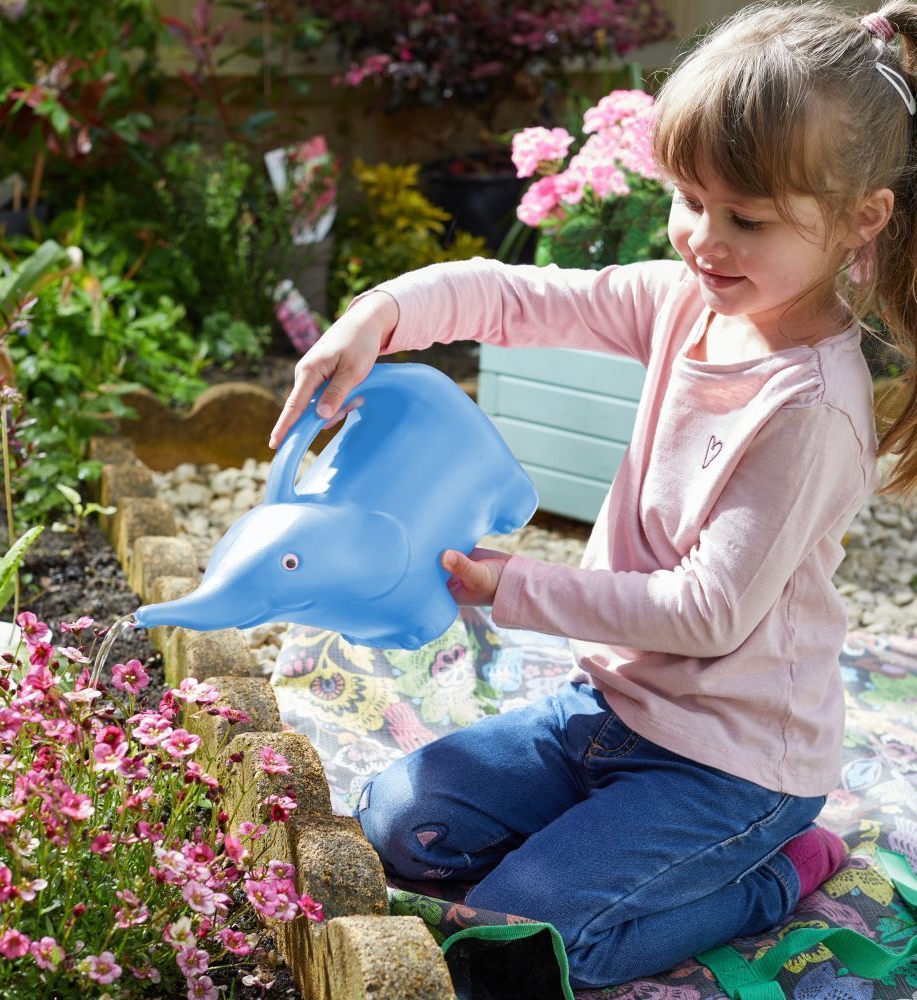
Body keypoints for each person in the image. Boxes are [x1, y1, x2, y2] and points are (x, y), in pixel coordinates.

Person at [268, 1, 917, 988]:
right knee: (396, 824)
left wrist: (511, 588)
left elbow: (704, 612)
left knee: (522, 945)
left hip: (734, 765)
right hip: (605, 706)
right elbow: (518, 298)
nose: (703, 237)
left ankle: (773, 873)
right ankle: (598, 850)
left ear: (860, 220)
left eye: (745, 217)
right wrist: (380, 314)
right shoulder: (683, 302)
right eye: (689, 198)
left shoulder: (809, 409)